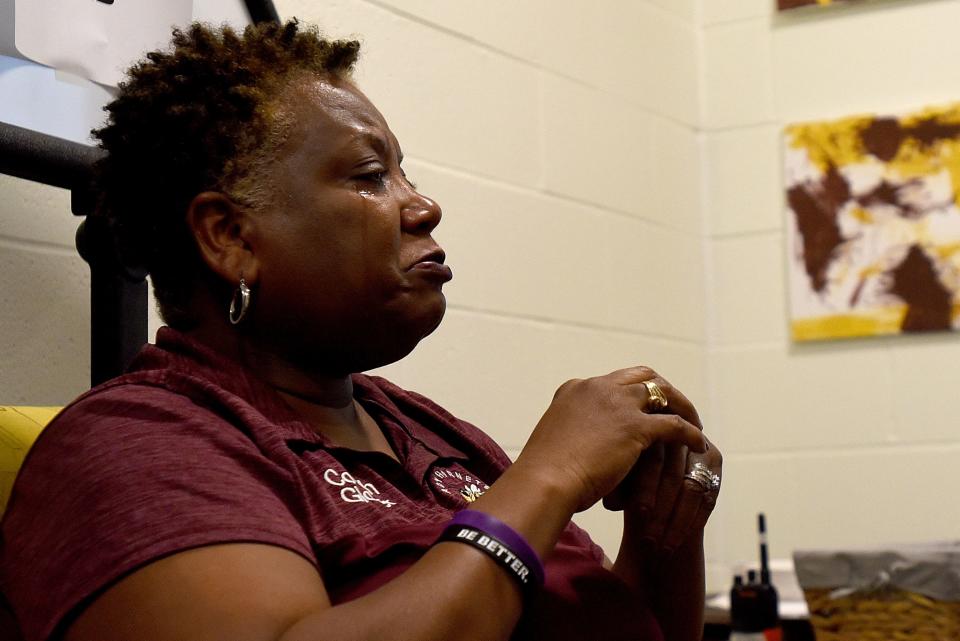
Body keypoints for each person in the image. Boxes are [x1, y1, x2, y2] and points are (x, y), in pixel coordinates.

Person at [0, 20, 722, 641]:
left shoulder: (427, 430)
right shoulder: (137, 441)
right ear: (229, 236)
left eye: (405, 174)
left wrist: (668, 524)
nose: (423, 206)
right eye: (372, 176)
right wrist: (549, 474)